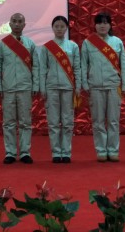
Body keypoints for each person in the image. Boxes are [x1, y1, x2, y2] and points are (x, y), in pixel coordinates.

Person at [81, 12, 125, 162]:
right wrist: (84, 83)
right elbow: (83, 64)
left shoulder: (117, 42)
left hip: (113, 85)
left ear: (110, 25)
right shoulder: (88, 42)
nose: (102, 25)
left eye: (105, 22)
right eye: (99, 23)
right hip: (95, 86)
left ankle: (113, 150)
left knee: (113, 120)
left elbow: (124, 64)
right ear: (95, 25)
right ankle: (101, 150)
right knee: (98, 121)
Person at [0, 13, 40, 165]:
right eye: (14, 21)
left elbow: (35, 66)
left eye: (20, 21)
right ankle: (10, 153)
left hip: (25, 87)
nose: (17, 24)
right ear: (9, 23)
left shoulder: (30, 44)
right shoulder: (2, 44)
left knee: (25, 122)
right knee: (9, 122)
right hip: (7, 88)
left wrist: (35, 85)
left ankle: (25, 152)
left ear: (24, 25)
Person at [40, 16, 81, 163]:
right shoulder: (46, 47)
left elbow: (77, 68)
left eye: (62, 26)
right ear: (52, 28)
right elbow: (42, 69)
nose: (59, 29)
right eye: (56, 26)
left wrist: (78, 86)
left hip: (68, 87)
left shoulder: (73, 46)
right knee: (53, 122)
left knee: (67, 121)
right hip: (51, 87)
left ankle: (66, 152)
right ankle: (56, 153)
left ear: (66, 28)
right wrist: (42, 87)